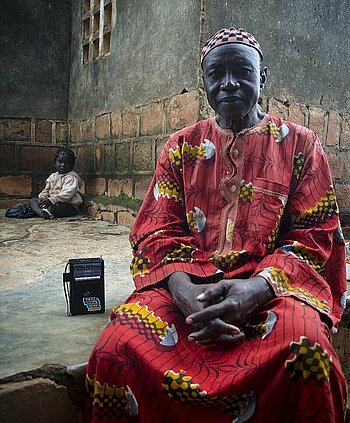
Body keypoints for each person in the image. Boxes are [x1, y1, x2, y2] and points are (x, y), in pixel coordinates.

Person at [86, 27, 347, 422]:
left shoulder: (302, 144)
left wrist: (254, 292)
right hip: (188, 286)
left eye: (242, 71)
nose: (228, 84)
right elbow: (156, 230)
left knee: (308, 351)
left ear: (262, 77)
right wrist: (187, 295)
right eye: (216, 75)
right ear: (204, 82)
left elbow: (315, 233)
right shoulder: (180, 147)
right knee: (116, 347)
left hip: (273, 287)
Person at [30, 147, 83, 219]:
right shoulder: (53, 176)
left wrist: (52, 200)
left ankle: (46, 212)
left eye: (67, 163)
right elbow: (46, 189)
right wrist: (43, 197)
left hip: (68, 205)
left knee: (57, 207)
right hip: (51, 202)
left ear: (72, 165)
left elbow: (67, 194)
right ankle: (43, 211)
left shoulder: (71, 178)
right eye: (60, 162)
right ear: (55, 163)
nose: (63, 165)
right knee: (33, 200)